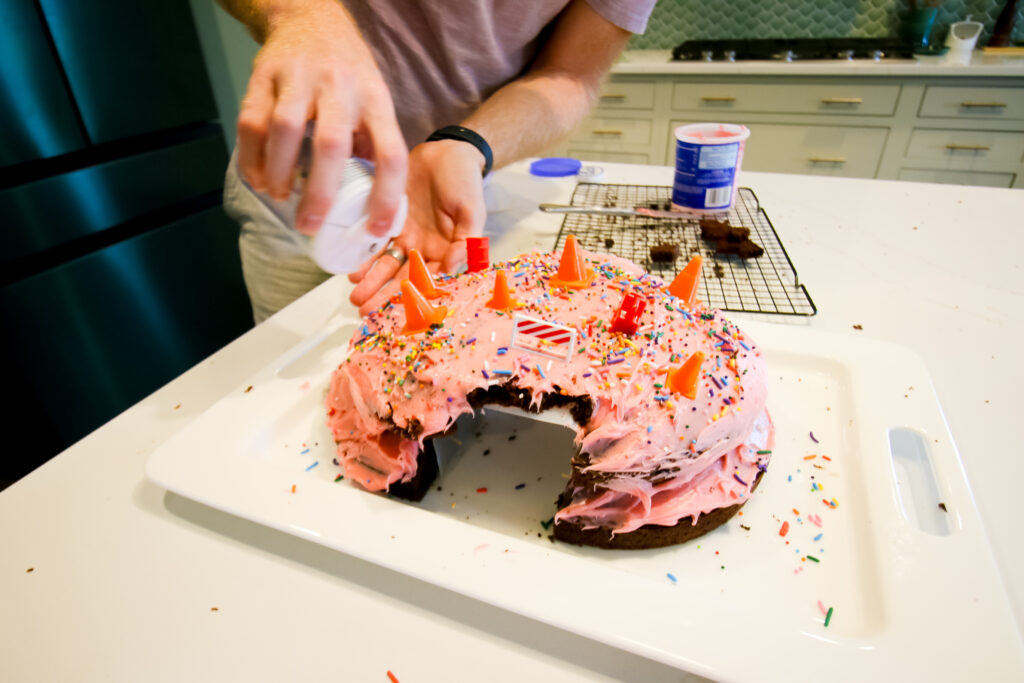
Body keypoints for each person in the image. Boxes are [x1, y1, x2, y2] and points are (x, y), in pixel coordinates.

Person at [218, 0, 656, 322]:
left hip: (451, 199)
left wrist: (466, 145)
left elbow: (571, 74)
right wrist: (300, 14)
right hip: (297, 184)